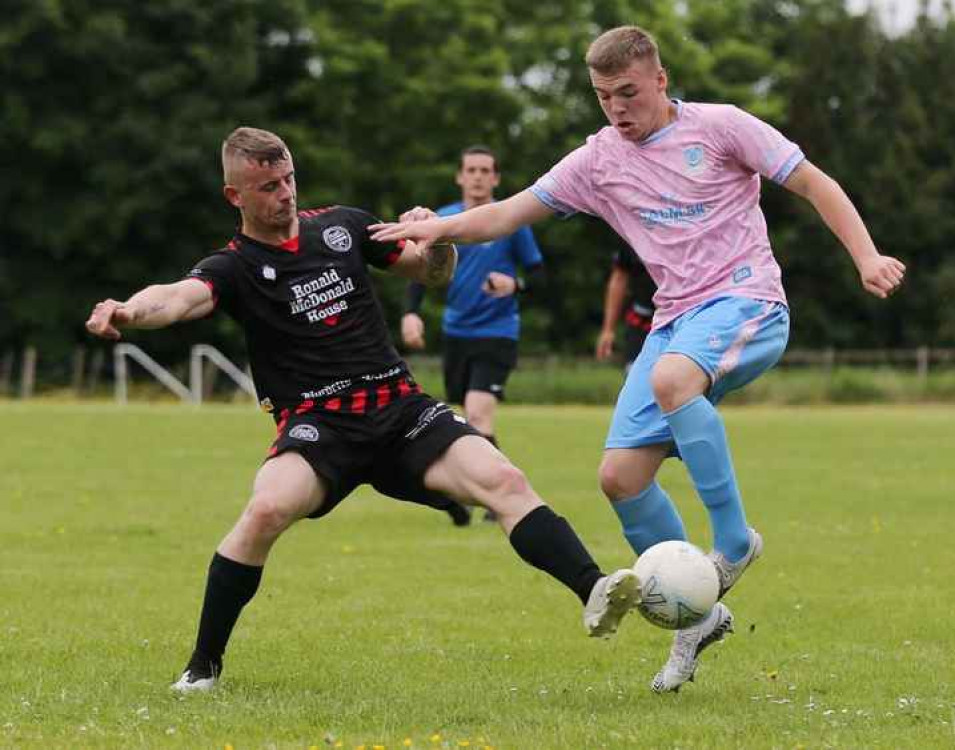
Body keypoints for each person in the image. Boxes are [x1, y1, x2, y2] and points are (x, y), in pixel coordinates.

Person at [371, 25, 906, 694]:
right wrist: (437, 226)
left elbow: (814, 184)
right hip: (675, 321)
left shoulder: (721, 126)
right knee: (619, 478)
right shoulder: (597, 162)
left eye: (627, 92)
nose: (617, 108)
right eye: (603, 97)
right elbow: (506, 215)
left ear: (659, 79)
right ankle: (696, 617)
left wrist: (865, 255)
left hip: (746, 303)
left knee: (672, 377)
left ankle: (733, 543)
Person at [84, 127, 641, 693]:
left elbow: (430, 271)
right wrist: (128, 311)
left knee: (504, 477)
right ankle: (202, 667)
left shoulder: (344, 227)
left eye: (290, 179)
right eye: (269, 186)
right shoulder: (234, 268)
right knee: (265, 511)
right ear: (236, 197)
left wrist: (440, 241)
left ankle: (594, 589)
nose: (286, 194)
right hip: (321, 426)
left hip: (400, 410)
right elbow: (178, 298)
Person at [401, 146, 545, 521]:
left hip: (498, 332)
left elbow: (541, 278)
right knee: (459, 419)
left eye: (486, 170)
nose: (478, 176)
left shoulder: (511, 221)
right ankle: (458, 497)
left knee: (480, 415)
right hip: (455, 333)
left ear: (495, 178)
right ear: (460, 176)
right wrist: (411, 314)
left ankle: (501, 497)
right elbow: (418, 269)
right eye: (472, 170)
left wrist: (515, 285)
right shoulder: (444, 220)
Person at [595, 241, 656, 370]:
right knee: (637, 377)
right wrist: (608, 330)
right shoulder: (632, 231)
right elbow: (619, 278)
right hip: (641, 323)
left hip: (683, 320)